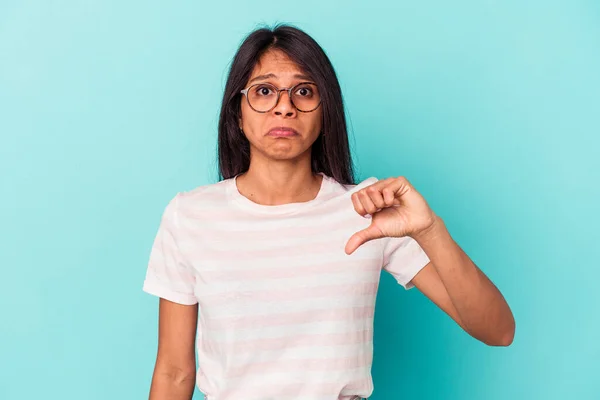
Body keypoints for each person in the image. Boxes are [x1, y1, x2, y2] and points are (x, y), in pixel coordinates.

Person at [142, 24, 515, 400]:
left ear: (325, 114)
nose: (284, 106)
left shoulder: (370, 211)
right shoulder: (191, 215)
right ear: (237, 113)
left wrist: (429, 230)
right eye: (264, 91)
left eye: (304, 92)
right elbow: (174, 372)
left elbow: (497, 331)